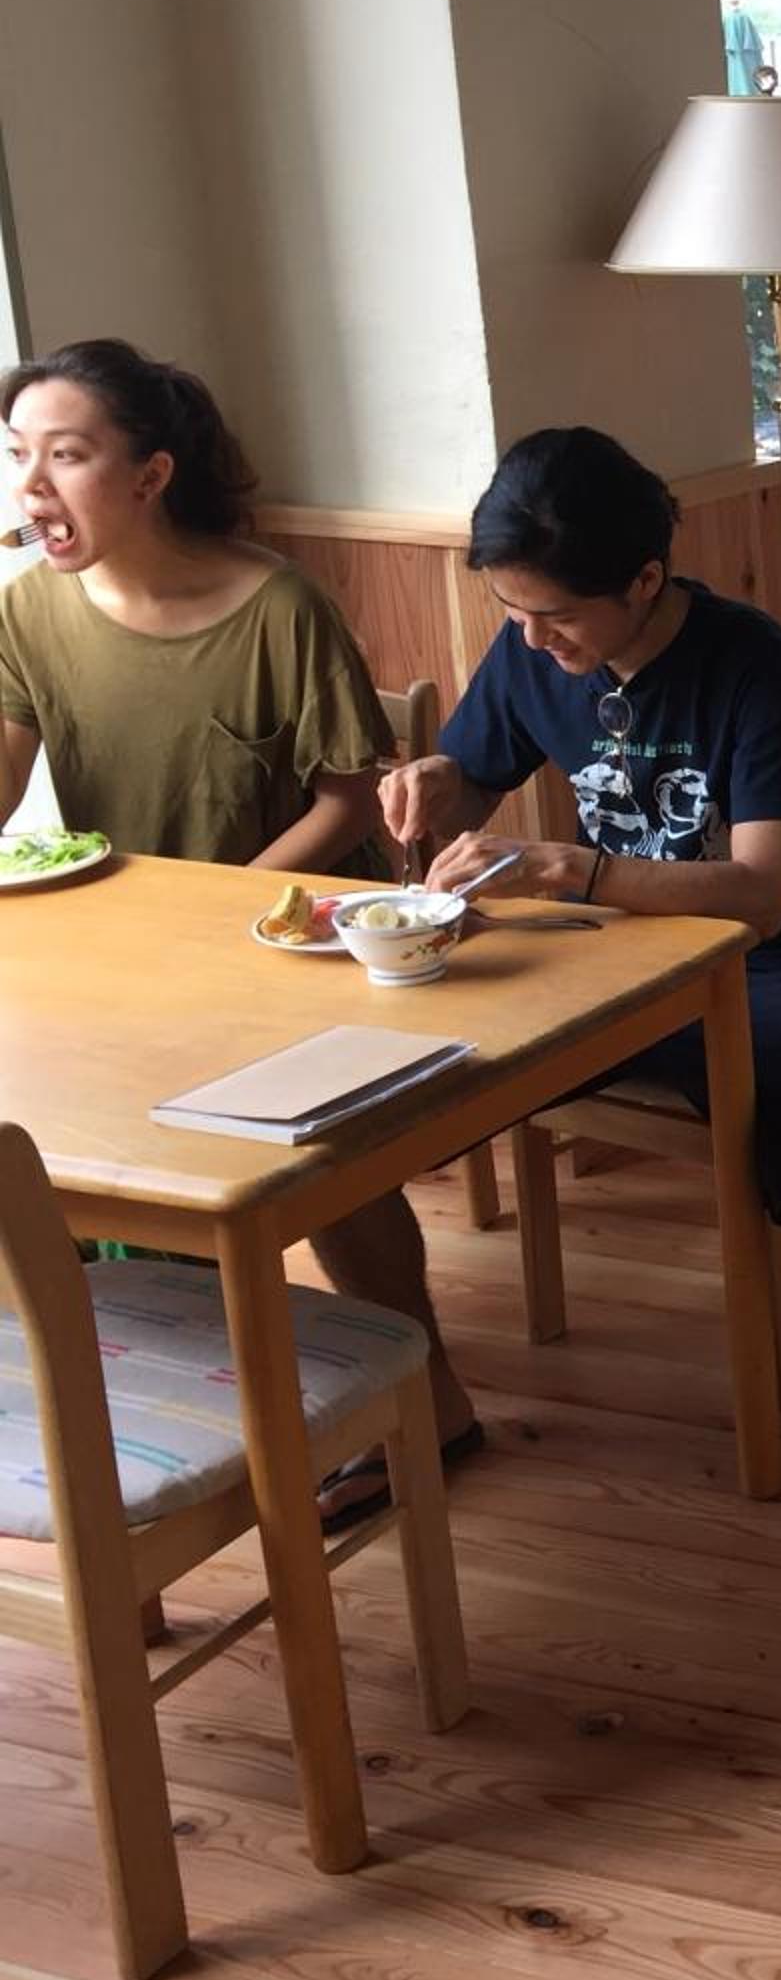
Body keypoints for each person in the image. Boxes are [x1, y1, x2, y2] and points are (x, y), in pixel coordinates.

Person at [378, 428, 781, 1503]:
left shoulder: (755, 664)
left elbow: (762, 895)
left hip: (744, 963)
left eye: (556, 616)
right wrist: (442, 779)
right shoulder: (533, 645)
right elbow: (479, 776)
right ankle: (419, 1400)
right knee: (373, 1106)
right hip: (582, 959)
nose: (533, 639)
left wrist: (569, 869)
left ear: (644, 577)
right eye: (513, 614)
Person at [0, 339, 476, 1527]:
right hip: (129, 944)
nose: (32, 487)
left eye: (65, 456)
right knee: (88, 1148)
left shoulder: (278, 606)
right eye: (19, 457)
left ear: (150, 473)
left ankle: (433, 1403)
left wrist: (220, 912)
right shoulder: (30, 607)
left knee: (326, 1174)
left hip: (291, 939)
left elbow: (348, 800)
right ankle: (187, 1411)